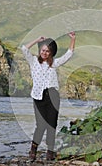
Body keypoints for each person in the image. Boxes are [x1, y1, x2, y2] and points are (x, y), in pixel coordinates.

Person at [21, 31, 76, 161]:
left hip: (53, 96)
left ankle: (50, 152)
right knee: (41, 125)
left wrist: (72, 39)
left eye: (47, 51)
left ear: (51, 53)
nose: (44, 53)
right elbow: (24, 48)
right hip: (38, 96)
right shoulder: (33, 61)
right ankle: (33, 150)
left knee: (51, 124)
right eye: (43, 50)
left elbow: (69, 54)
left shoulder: (54, 63)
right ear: (40, 50)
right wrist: (37, 40)